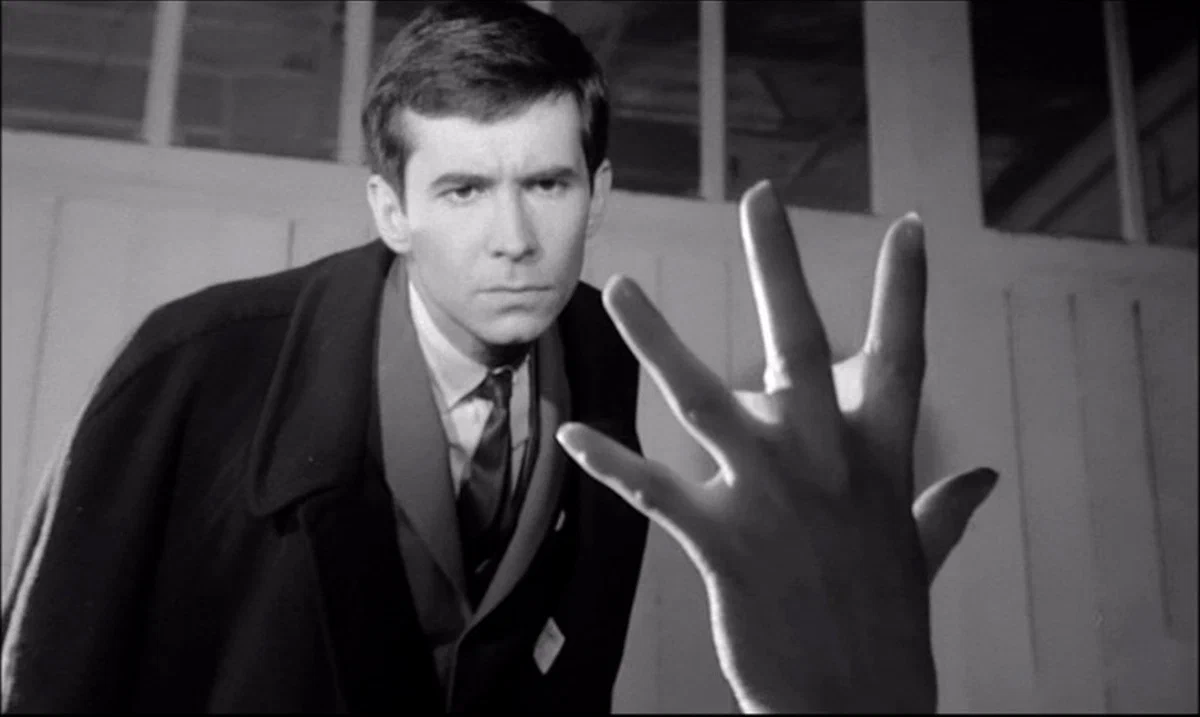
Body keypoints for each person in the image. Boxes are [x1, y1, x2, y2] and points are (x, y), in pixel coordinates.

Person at [1, 1, 996, 713]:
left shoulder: (605, 373)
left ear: (597, 199)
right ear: (391, 209)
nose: (514, 239)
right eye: (465, 190)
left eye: (548, 185)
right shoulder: (187, 369)